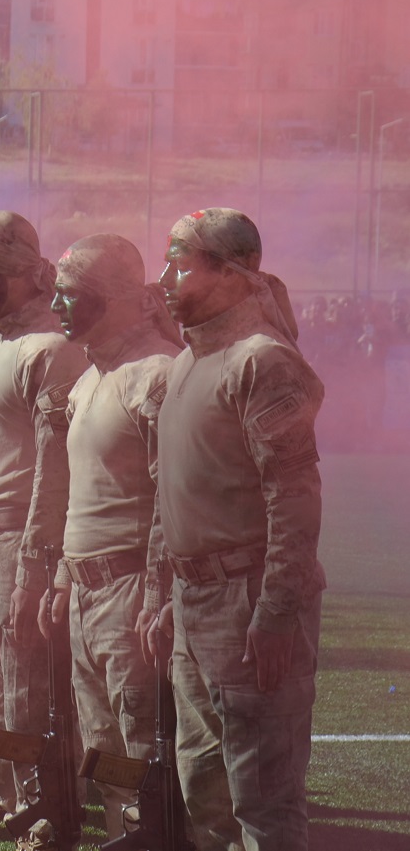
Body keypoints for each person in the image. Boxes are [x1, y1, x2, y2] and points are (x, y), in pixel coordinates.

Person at [153, 209, 324, 851]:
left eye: (181, 263)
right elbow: (167, 490)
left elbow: (296, 496)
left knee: (262, 797)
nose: (164, 277)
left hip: (248, 599)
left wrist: (277, 611)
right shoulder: (186, 363)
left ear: (230, 274)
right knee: (205, 787)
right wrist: (164, 591)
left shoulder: (263, 361)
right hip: (195, 599)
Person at [0, 211, 87, 845]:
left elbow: (51, 473)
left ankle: (43, 821)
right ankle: (15, 811)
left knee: (22, 699)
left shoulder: (52, 351)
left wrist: (34, 564)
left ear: (18, 275)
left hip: (13, 549)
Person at [42, 233, 180, 840]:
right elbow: (78, 497)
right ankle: (128, 837)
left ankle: (152, 838)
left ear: (117, 298)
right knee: (103, 745)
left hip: (128, 590)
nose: (60, 308)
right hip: (88, 591)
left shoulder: (156, 375)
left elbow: (167, 504)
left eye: (74, 295)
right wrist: (63, 578)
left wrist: (156, 595)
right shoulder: (88, 380)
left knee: (141, 739)